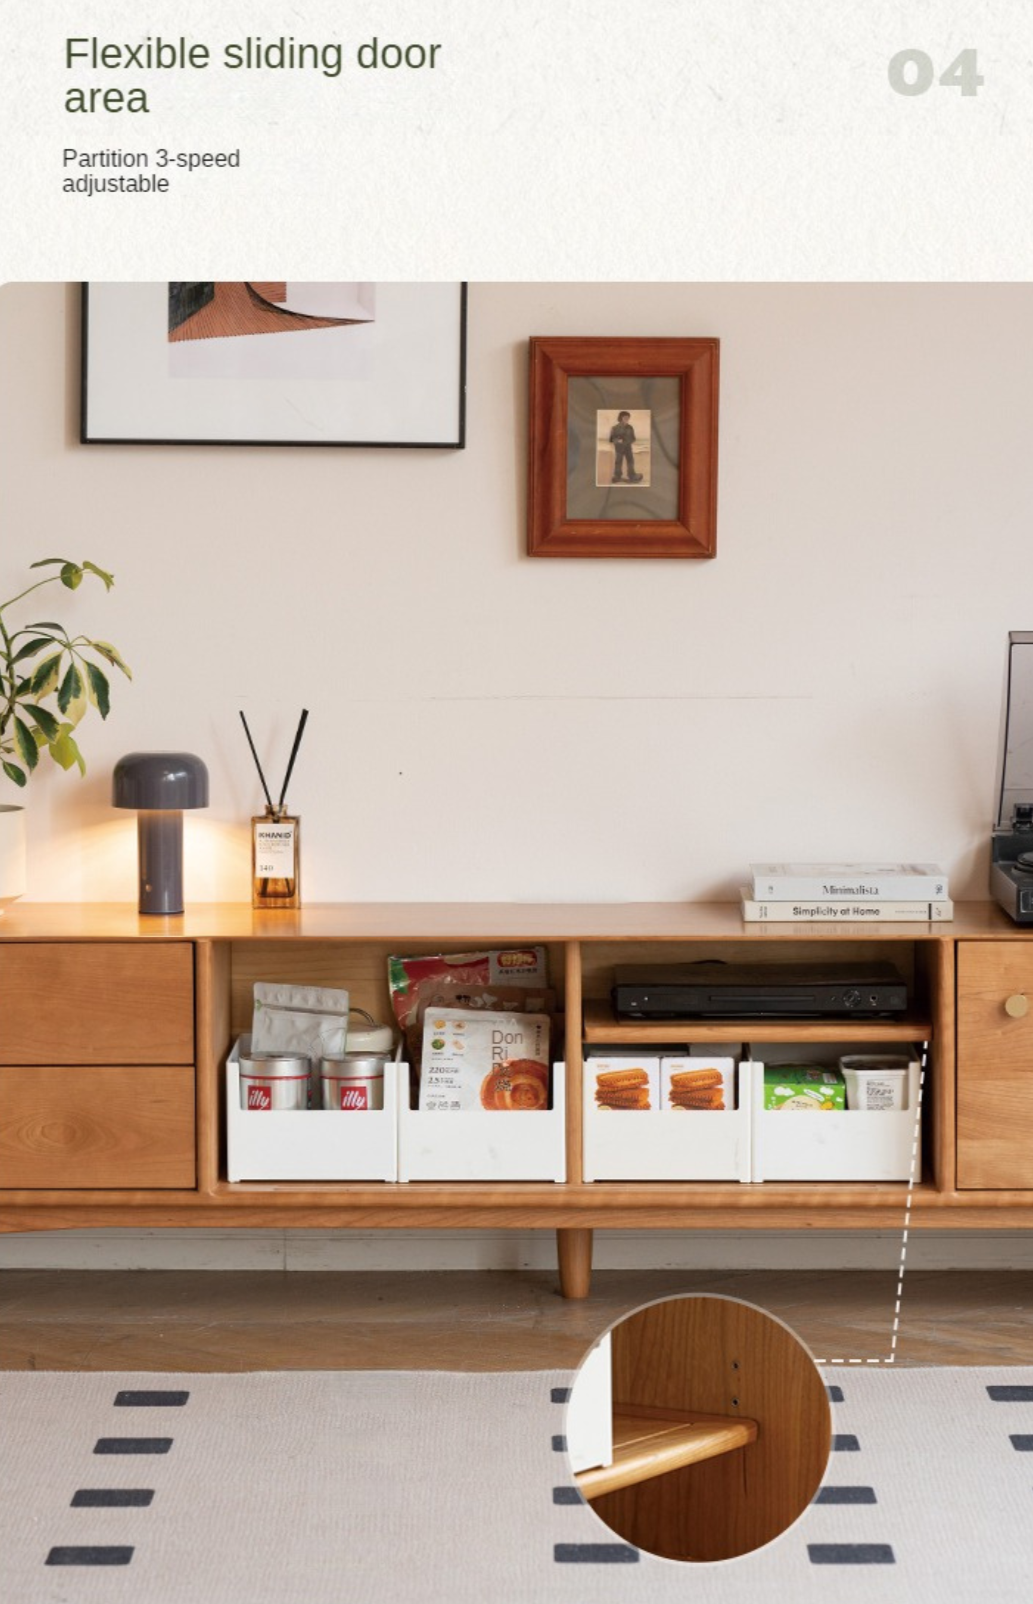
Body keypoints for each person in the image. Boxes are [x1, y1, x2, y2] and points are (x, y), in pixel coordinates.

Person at [608, 411, 643, 483]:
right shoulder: (615, 428)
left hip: (628, 447)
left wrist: (628, 441)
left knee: (630, 461)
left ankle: (632, 476)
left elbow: (634, 438)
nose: (627, 419)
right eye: (625, 417)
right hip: (619, 448)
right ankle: (617, 477)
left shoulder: (630, 427)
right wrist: (618, 440)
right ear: (621, 418)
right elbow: (611, 439)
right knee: (618, 462)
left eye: (628, 417)